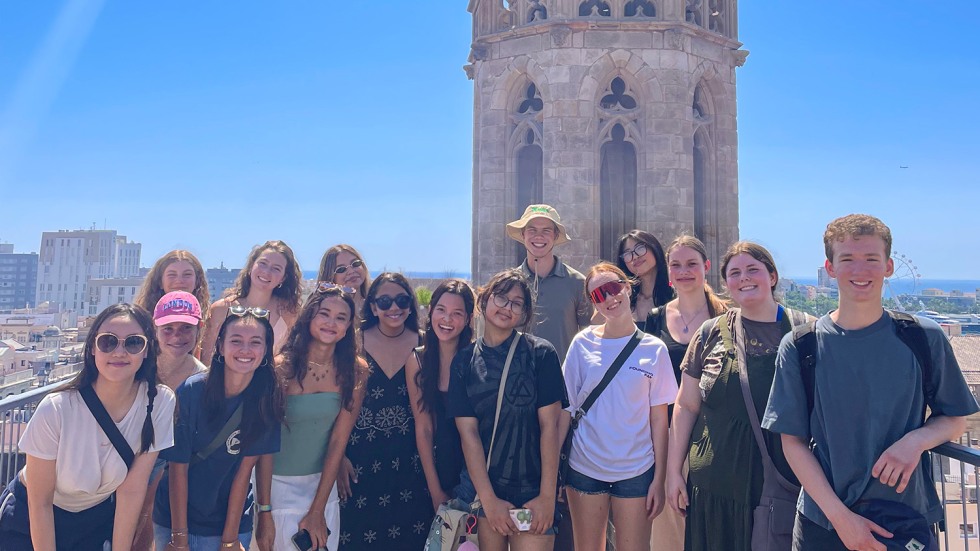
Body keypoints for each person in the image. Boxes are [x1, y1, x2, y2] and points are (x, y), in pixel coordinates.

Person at [763, 214, 979, 551]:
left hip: (906, 520)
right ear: (830, 268)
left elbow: (955, 419)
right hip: (824, 523)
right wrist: (842, 520)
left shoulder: (923, 337)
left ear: (888, 266)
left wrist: (916, 441)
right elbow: (793, 443)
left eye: (871, 259)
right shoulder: (802, 345)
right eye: (847, 259)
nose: (859, 270)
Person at [666, 241, 809, 551]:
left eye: (753, 269)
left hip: (780, 486)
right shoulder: (709, 333)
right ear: (726, 284)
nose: (744, 278)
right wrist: (673, 472)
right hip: (713, 488)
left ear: (772, 276)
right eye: (735, 273)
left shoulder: (805, 332)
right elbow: (686, 405)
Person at [0, 303, 176, 551]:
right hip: (29, 520)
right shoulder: (57, 408)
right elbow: (40, 502)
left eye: (134, 342)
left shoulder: (158, 402)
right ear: (93, 348)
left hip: (93, 520)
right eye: (108, 342)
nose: (119, 351)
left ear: (147, 350)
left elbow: (131, 491)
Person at [559, 262, 677, 551]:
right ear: (593, 304)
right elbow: (566, 410)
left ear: (627, 287)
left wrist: (658, 480)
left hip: (636, 470)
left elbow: (660, 421)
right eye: (599, 295)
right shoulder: (581, 344)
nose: (610, 299)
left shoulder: (654, 348)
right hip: (585, 465)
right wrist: (551, 473)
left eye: (613, 288)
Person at [448, 268, 567, 551]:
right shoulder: (464, 362)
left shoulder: (541, 354)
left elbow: (550, 428)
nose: (507, 307)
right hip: (486, 495)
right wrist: (489, 501)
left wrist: (546, 497)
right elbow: (469, 435)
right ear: (484, 300)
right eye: (501, 298)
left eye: (517, 303)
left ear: (525, 314)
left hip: (533, 495)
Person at [153, 306, 285, 551]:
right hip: (175, 517)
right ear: (221, 347)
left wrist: (229, 540)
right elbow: (177, 468)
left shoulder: (266, 399)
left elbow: (244, 473)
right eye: (236, 341)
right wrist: (179, 539)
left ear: (266, 350)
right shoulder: (191, 392)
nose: (245, 350)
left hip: (231, 521)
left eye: (255, 342)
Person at [255, 284, 369, 551]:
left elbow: (338, 441)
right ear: (309, 317)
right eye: (324, 314)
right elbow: (264, 444)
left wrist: (318, 510)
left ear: (349, 326)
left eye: (341, 318)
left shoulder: (356, 371)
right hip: (274, 489)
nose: (331, 323)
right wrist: (264, 511)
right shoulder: (281, 368)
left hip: (321, 489)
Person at [338, 272, 431, 550]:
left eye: (402, 300)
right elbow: (333, 402)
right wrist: (338, 456)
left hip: (412, 464)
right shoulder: (350, 342)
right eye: (385, 301)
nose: (394, 308)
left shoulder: (427, 345)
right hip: (358, 464)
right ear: (374, 306)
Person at [647, 236, 727, 550]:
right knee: (669, 532)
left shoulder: (727, 317)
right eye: (677, 265)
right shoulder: (654, 320)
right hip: (667, 436)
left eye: (692, 264)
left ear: (706, 267)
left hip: (716, 437)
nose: (684, 271)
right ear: (668, 272)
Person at [133, 292, 209, 549]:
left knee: (146, 527)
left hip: (173, 467)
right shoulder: (136, 366)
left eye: (186, 328)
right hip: (129, 458)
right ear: (154, 330)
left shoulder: (203, 379)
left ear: (199, 329)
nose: (177, 337)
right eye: (168, 329)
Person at [405, 278, 476, 510]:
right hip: (435, 468)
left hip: (474, 470)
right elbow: (423, 428)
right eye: (441, 310)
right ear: (431, 311)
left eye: (457, 313)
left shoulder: (477, 359)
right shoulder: (417, 361)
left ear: (467, 320)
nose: (447, 319)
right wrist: (435, 491)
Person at [506, 204, 592, 360]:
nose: (539, 236)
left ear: (555, 235)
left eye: (546, 230)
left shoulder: (578, 283)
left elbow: (590, 336)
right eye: (532, 230)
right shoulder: (507, 284)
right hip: (516, 379)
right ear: (523, 234)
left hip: (562, 379)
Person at [202, 240, 303, 363]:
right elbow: (206, 361)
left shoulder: (289, 313)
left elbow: (293, 359)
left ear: (283, 278)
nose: (267, 272)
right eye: (263, 263)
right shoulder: (221, 309)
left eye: (276, 268)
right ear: (251, 267)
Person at [615, 230, 673, 330]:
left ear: (654, 248)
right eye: (628, 254)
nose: (635, 257)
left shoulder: (675, 295)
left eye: (640, 248)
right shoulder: (624, 299)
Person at [134, 250, 212, 319]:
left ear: (197, 281)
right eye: (172, 275)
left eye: (187, 274)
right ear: (160, 281)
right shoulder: (140, 320)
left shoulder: (211, 320)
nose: (179, 280)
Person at [317, 244, 371, 314]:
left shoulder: (377, 306)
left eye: (355, 263)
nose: (351, 271)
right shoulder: (320, 311)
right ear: (330, 277)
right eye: (341, 269)